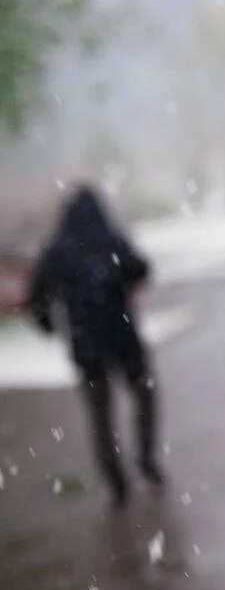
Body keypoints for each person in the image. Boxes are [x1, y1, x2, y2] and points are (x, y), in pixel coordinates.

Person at [27, 184, 164, 506]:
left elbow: (38, 297)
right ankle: (147, 460)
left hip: (85, 346)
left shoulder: (57, 249)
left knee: (100, 416)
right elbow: (141, 268)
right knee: (144, 397)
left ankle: (116, 482)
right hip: (122, 337)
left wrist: (47, 324)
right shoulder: (110, 239)